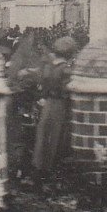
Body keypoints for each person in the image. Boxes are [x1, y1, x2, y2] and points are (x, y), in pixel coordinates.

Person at [32, 36, 77, 187]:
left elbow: (43, 84)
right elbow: (67, 89)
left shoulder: (49, 66)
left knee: (44, 135)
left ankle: (39, 170)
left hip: (48, 104)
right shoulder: (65, 69)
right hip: (59, 105)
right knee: (57, 136)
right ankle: (51, 172)